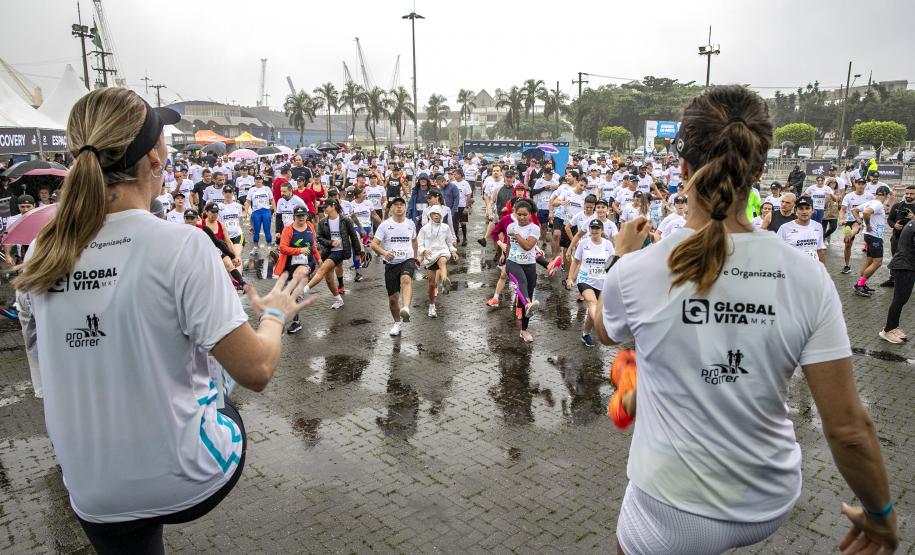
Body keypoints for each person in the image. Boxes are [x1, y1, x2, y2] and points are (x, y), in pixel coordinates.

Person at [588, 85, 898, 555]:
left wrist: (619, 259)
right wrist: (881, 517)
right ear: (757, 171)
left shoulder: (636, 271)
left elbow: (605, 332)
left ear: (685, 170)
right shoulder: (808, 276)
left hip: (672, 508)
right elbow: (849, 429)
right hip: (767, 500)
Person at [15, 88, 314, 554]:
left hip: (91, 489)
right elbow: (256, 371)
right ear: (155, 157)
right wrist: (274, 315)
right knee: (219, 378)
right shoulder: (182, 246)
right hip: (188, 479)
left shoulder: (41, 251)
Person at [371, 197, 418, 336]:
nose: (399, 207)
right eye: (396, 205)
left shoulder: (410, 224)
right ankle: (397, 323)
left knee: (406, 279)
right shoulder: (385, 225)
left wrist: (415, 258)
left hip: (407, 260)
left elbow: (414, 241)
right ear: (391, 208)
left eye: (401, 205)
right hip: (391, 264)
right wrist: (385, 253)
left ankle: (406, 309)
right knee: (393, 299)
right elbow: (373, 244)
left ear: (405, 207)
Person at [302, 199, 360, 309]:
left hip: (340, 252)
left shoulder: (345, 220)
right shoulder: (323, 221)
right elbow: (318, 237)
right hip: (328, 251)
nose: (324, 209)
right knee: (328, 279)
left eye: (326, 207)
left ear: (333, 206)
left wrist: (358, 252)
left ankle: (302, 291)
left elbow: (353, 236)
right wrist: (331, 243)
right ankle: (339, 300)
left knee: (322, 270)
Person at [565, 219, 614, 347]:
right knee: (593, 303)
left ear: (602, 230)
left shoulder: (608, 245)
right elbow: (576, 262)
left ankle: (585, 334)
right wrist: (570, 278)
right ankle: (601, 324)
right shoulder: (583, 243)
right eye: (592, 228)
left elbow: (612, 263)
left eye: (597, 228)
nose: (594, 230)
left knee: (594, 309)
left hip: (602, 281)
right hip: (585, 279)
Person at [275, 205, 321, 335]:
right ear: (294, 216)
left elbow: (313, 246)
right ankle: (296, 322)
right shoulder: (288, 230)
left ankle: (300, 290)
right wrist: (299, 250)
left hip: (307, 263)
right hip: (289, 265)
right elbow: (283, 248)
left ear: (306, 216)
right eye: (298, 216)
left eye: (303, 216)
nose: (301, 218)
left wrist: (318, 259)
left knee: (299, 275)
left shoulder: (310, 227)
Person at [416, 205, 458, 318]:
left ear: (441, 216)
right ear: (430, 215)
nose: (436, 216)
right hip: (430, 256)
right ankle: (431, 305)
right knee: (432, 284)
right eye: (434, 214)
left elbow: (449, 242)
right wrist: (423, 251)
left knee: (442, 261)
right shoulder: (424, 229)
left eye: (438, 214)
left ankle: (444, 281)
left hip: (442, 251)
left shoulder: (445, 227)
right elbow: (420, 244)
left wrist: (453, 252)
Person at [879, 215, 914, 344]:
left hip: (907, 265)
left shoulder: (912, 223)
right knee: (899, 299)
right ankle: (888, 330)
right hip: (904, 266)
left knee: (902, 299)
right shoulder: (913, 225)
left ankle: (894, 326)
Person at [851, 186, 891, 297]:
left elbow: (854, 210)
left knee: (869, 261)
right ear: (886, 195)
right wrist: (867, 225)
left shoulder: (870, 202)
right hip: (874, 237)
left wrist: (860, 222)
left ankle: (861, 283)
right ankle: (859, 285)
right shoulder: (877, 204)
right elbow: (867, 213)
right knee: (877, 263)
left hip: (869, 236)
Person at [880, 184, 915, 287]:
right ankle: (893, 279)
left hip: (912, 240)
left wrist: (913, 218)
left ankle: (909, 280)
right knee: (895, 258)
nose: (909, 195)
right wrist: (894, 225)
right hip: (897, 237)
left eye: (912, 194)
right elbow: (889, 219)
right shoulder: (897, 206)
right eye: (907, 193)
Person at [838, 177, 875, 274]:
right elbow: (842, 209)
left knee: (857, 226)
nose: (861, 185)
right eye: (859, 183)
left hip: (864, 219)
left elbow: (875, 208)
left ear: (865, 185)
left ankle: (850, 234)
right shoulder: (849, 196)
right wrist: (841, 219)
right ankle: (846, 265)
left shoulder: (870, 196)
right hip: (851, 219)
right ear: (855, 184)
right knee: (847, 246)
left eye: (863, 184)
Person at [776, 196, 826, 264]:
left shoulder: (818, 226)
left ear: (812, 210)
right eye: (801, 209)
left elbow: (820, 250)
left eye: (807, 208)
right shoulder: (785, 228)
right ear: (796, 211)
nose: (804, 212)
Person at [245, 176, 275, 257]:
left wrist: (275, 210)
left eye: (260, 179)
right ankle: (255, 247)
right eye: (256, 179)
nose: (258, 181)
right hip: (256, 212)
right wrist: (245, 212)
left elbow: (272, 200)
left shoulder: (267, 188)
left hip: (266, 211)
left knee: (267, 229)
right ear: (254, 181)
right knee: (256, 230)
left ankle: (269, 247)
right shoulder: (252, 189)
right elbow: (247, 202)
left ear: (262, 180)